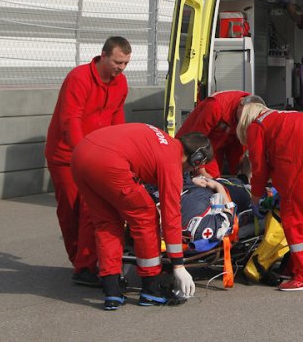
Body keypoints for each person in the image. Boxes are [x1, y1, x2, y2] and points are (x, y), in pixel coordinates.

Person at [72, 124, 211, 310]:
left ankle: (112, 291)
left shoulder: (163, 142)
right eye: (195, 168)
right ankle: (150, 290)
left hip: (80, 155)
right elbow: (171, 215)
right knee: (146, 216)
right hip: (110, 162)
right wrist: (178, 265)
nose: (189, 173)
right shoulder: (171, 160)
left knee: (107, 223)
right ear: (196, 159)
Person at [45, 36, 131, 287]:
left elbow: (117, 117)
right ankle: (80, 262)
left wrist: (120, 151)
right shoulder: (79, 78)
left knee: (91, 209)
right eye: (117, 62)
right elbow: (70, 119)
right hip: (66, 155)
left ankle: (86, 265)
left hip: (96, 156)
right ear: (103, 55)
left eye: (126, 63)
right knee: (70, 210)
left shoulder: (121, 82)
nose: (121, 68)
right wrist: (83, 152)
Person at [237, 102, 303, 291]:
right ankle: (299, 268)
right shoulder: (283, 117)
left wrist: (256, 197)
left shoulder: (257, 126)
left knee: (292, 221)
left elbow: (259, 168)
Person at [176, 92, 264, 178]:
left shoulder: (247, 109)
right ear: (241, 103)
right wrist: (201, 171)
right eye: (246, 116)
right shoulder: (215, 106)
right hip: (195, 145)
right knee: (211, 179)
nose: (245, 120)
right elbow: (196, 140)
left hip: (218, 144)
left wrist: (244, 174)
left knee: (239, 175)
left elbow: (238, 146)